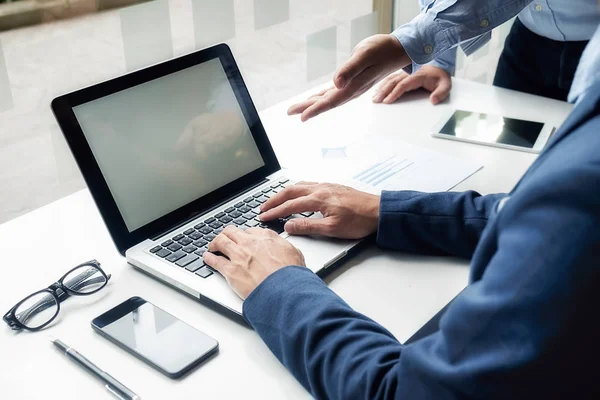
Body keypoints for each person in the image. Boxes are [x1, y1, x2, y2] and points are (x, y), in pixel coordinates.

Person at [201, 2, 600, 398]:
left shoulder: (581, 184)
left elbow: (407, 392)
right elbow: (516, 215)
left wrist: (279, 287)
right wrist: (386, 212)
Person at [372, 0, 600, 106]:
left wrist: (411, 43)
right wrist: (437, 61)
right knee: (512, 145)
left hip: (595, 52)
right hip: (526, 47)